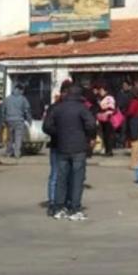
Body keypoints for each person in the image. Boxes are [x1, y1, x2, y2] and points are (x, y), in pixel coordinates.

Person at [43, 84, 98, 221]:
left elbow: (46, 126)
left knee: (61, 178)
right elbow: (91, 125)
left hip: (62, 147)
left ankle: (58, 208)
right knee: (77, 179)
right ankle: (75, 208)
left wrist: (60, 133)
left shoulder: (57, 108)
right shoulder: (82, 109)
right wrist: (88, 136)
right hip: (79, 148)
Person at [45, 79, 72, 216]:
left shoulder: (73, 107)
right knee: (56, 174)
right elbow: (47, 127)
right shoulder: (54, 108)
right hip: (57, 145)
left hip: (69, 146)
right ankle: (53, 202)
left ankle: (63, 202)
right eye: (65, 92)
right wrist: (60, 132)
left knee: (66, 175)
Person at [2, 83, 32, 158]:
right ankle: (17, 153)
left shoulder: (7, 99)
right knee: (18, 137)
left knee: (10, 137)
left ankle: (9, 152)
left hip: (9, 120)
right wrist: (29, 120)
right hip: (19, 120)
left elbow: (3, 110)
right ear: (21, 90)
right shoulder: (23, 99)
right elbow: (27, 110)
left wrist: (4, 120)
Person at [95, 83, 117, 157]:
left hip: (108, 119)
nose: (100, 92)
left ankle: (109, 150)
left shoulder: (109, 98)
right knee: (104, 135)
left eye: (102, 90)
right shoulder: (101, 98)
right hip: (103, 119)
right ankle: (107, 149)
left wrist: (101, 105)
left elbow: (111, 107)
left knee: (108, 135)